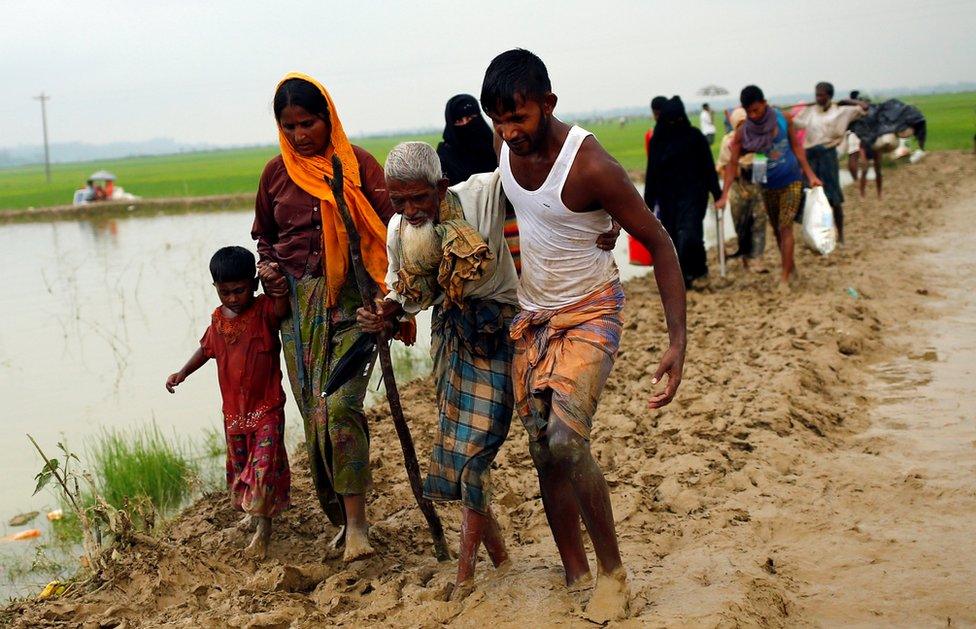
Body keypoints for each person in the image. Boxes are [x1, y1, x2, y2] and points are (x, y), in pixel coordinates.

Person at [481, 48, 687, 622]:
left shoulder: (589, 165)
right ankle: (574, 573)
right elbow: (506, 206)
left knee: (569, 442)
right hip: (534, 317)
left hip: (592, 311)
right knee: (542, 447)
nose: (510, 132)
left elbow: (663, 244)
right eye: (499, 121)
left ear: (548, 103)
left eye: (519, 118)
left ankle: (613, 574)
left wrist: (677, 342)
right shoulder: (501, 146)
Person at [357, 141, 517, 597]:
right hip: (451, 333)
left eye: (418, 198)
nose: (409, 209)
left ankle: (465, 576)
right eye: (399, 200)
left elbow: (544, 184)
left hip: (501, 329)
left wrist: (602, 225)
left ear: (440, 186)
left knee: (474, 453)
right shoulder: (399, 231)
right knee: (461, 452)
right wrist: (386, 313)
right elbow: (402, 292)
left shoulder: (483, 193)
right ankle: (498, 561)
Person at [251, 73, 398, 562]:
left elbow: (390, 233)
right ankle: (341, 514)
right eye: (288, 126)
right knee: (316, 417)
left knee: (340, 408)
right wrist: (268, 269)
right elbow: (265, 237)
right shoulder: (276, 173)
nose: (299, 135)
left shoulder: (359, 166)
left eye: (308, 123)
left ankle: (358, 526)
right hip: (298, 313)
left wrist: (390, 300)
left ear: (327, 117)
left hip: (356, 308)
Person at [165, 246, 291, 559]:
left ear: (253, 284)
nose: (233, 298)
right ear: (216, 289)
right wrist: (182, 372)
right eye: (225, 292)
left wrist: (275, 279)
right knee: (240, 470)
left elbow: (283, 304)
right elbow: (206, 349)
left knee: (262, 471)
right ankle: (253, 516)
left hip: (267, 410)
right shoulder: (218, 321)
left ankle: (264, 533)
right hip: (235, 416)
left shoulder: (265, 312)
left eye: (239, 290)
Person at [716, 85, 822, 288]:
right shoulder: (743, 133)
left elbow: (796, 147)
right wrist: (724, 195)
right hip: (767, 185)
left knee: (785, 226)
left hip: (791, 179)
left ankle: (784, 279)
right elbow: (732, 165)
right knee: (776, 230)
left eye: (756, 109)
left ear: (764, 104)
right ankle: (790, 268)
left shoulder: (783, 119)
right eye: (749, 112)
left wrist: (810, 174)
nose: (753, 115)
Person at [645, 96, 722, 288]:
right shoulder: (658, 141)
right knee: (672, 239)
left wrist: (717, 194)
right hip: (667, 198)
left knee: (690, 235)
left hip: (694, 195)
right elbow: (652, 172)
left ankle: (699, 271)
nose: (674, 125)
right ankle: (683, 279)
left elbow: (708, 167)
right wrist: (647, 204)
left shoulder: (695, 137)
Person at [792, 82, 868, 243]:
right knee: (811, 197)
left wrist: (849, 101)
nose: (818, 98)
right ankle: (816, 235)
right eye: (817, 95)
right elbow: (796, 124)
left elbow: (865, 108)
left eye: (822, 95)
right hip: (811, 156)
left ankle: (840, 235)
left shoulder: (842, 111)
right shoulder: (810, 111)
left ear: (829, 96)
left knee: (833, 198)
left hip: (828, 155)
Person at [716, 107, 766, 272]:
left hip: (755, 184)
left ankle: (757, 259)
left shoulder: (757, 138)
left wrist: (757, 183)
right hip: (737, 187)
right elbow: (722, 167)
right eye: (740, 124)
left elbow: (761, 163)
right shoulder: (728, 141)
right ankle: (745, 257)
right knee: (741, 223)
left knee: (759, 221)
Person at [436, 94, 498, 186]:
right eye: (459, 121)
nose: (466, 124)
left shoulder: (496, 147)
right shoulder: (444, 157)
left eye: (470, 118)